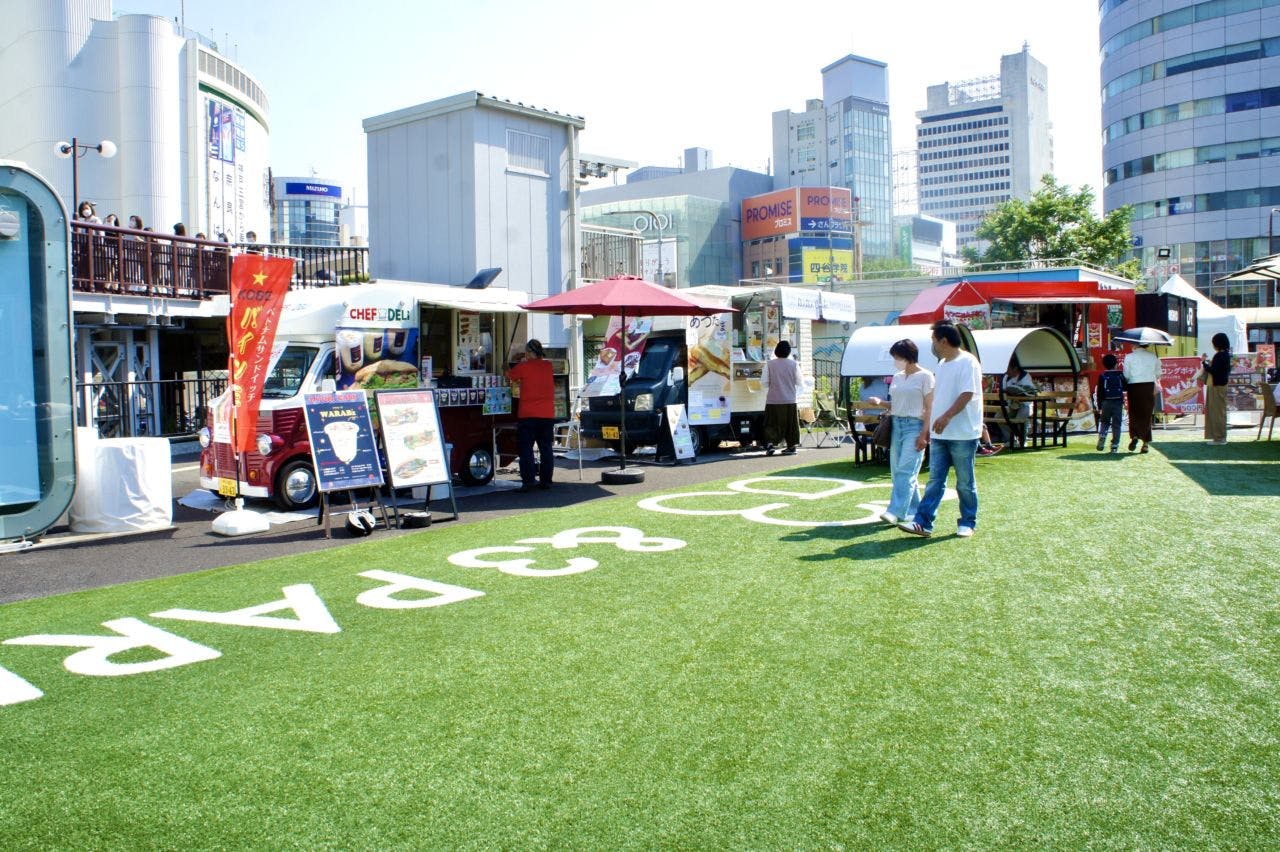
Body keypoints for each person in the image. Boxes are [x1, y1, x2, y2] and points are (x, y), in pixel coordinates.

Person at [899, 320, 983, 538]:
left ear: (944, 341)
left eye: (933, 341)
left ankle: (968, 521)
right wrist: (929, 430)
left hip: (963, 433)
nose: (932, 345)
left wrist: (946, 417)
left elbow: (967, 393)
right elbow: (938, 398)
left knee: (965, 482)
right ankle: (923, 522)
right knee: (936, 480)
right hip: (940, 434)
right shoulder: (943, 364)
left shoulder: (968, 362)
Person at [861, 339, 934, 525]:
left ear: (908, 356)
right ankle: (913, 510)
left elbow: (929, 407)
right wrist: (880, 403)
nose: (895, 360)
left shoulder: (926, 376)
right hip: (897, 424)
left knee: (905, 470)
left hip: (915, 426)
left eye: (897, 356)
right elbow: (897, 405)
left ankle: (895, 511)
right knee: (900, 471)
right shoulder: (897, 376)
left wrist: (925, 434)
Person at [505, 339, 556, 493]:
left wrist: (506, 366)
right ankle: (546, 481)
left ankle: (528, 481)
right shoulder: (548, 366)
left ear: (528, 352)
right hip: (547, 414)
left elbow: (509, 376)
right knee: (546, 448)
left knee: (526, 448)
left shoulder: (524, 366)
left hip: (528, 414)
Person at [761, 340, 800, 455]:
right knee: (790, 425)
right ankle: (791, 446)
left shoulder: (770, 364)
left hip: (773, 399)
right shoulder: (794, 364)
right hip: (790, 400)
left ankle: (770, 445)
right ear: (789, 352)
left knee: (771, 423)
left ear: (776, 350)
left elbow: (764, 382)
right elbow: (799, 382)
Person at [1122, 342, 1160, 453]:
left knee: (1134, 413)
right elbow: (1158, 374)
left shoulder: (1129, 357)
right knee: (1147, 414)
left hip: (1134, 387)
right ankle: (1146, 443)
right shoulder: (1153, 356)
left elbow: (1126, 375)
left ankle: (1134, 436)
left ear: (1135, 345)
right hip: (1148, 386)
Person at [1201, 332, 1233, 445]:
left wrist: (1204, 362)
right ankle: (1219, 437)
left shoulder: (1219, 355)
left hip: (1216, 386)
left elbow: (1214, 371)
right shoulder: (1226, 355)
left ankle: (1219, 438)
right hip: (1222, 385)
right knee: (1220, 412)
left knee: (1216, 413)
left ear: (1217, 344)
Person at [1095, 353, 1126, 453]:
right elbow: (1125, 387)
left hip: (1105, 402)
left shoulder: (1102, 376)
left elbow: (1099, 392)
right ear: (1116, 364)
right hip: (1118, 402)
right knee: (1116, 424)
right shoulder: (1120, 375)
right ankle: (1114, 445)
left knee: (1104, 422)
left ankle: (1103, 434)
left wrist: (1099, 406)